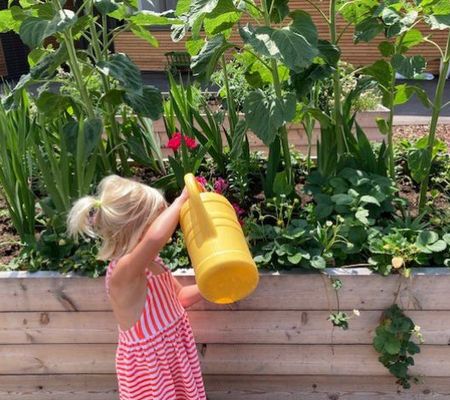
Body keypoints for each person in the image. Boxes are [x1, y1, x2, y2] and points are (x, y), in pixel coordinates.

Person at [67, 175, 207, 400]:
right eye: (157, 217)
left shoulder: (155, 264)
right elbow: (155, 239)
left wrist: (211, 287)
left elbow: (179, 297)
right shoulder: (122, 274)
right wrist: (181, 200)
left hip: (173, 359)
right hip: (151, 372)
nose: (166, 220)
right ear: (137, 228)